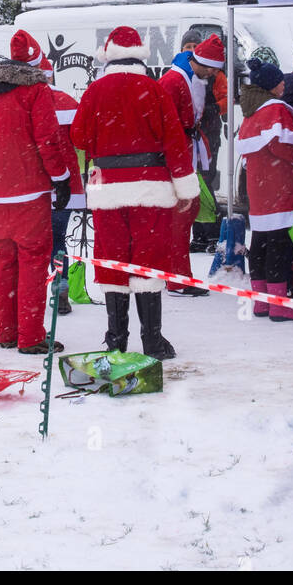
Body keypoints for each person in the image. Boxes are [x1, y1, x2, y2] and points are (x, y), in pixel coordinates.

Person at [71, 24, 199, 360]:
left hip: (106, 186)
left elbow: (79, 138)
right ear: (140, 56)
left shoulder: (94, 91)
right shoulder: (154, 90)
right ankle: (152, 340)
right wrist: (185, 186)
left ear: (108, 56)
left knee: (112, 257)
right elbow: (175, 140)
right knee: (148, 258)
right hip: (150, 186)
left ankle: (116, 338)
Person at [0, 30, 70, 354]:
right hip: (29, 189)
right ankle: (30, 336)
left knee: (3, 261)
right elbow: (47, 139)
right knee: (32, 260)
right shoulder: (36, 90)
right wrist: (61, 178)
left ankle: (8, 332)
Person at [235, 56, 293, 323]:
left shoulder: (250, 111)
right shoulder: (276, 109)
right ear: (273, 85)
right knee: (280, 245)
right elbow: (283, 142)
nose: (283, 84)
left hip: (257, 187)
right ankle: (279, 305)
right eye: (280, 80)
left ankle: (261, 302)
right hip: (279, 185)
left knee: (260, 241)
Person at [159, 33, 224, 295]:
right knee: (180, 215)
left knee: (184, 214)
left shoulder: (189, 78)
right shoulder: (174, 82)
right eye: (212, 69)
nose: (213, 74)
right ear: (206, 64)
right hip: (176, 157)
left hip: (184, 153)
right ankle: (177, 278)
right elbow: (165, 126)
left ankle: (174, 273)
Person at [38, 50, 85, 316]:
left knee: (35, 242)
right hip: (67, 184)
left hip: (37, 183)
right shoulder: (67, 101)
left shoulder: (29, 102)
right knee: (58, 240)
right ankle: (61, 288)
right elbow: (80, 140)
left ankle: (34, 290)